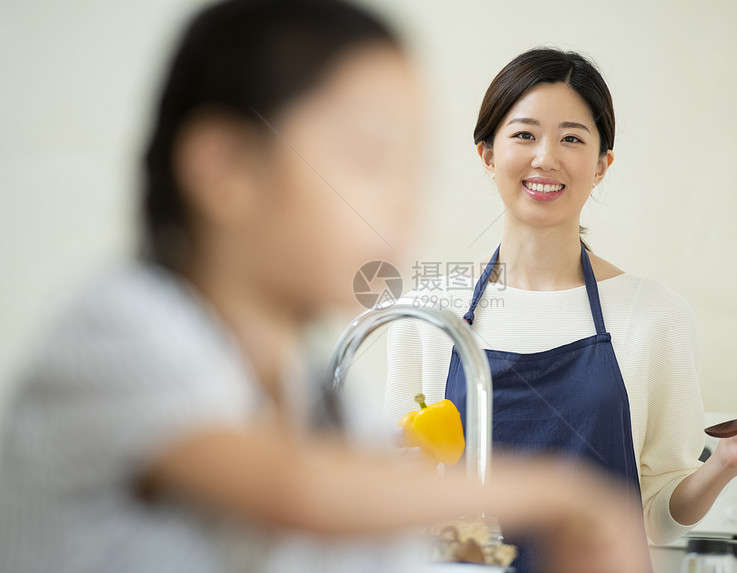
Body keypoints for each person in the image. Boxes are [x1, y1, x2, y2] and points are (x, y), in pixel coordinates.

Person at [0, 3, 652, 573]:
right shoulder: (122, 328)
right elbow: (297, 491)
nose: (402, 203)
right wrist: (567, 495)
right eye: (369, 158)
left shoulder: (310, 390)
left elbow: (374, 496)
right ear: (227, 168)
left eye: (413, 170)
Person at [384, 48, 737, 573]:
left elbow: (654, 512)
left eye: (571, 138)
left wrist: (726, 461)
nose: (546, 157)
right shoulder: (428, 312)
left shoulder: (655, 315)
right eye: (523, 134)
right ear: (487, 154)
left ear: (602, 163)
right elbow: (391, 496)